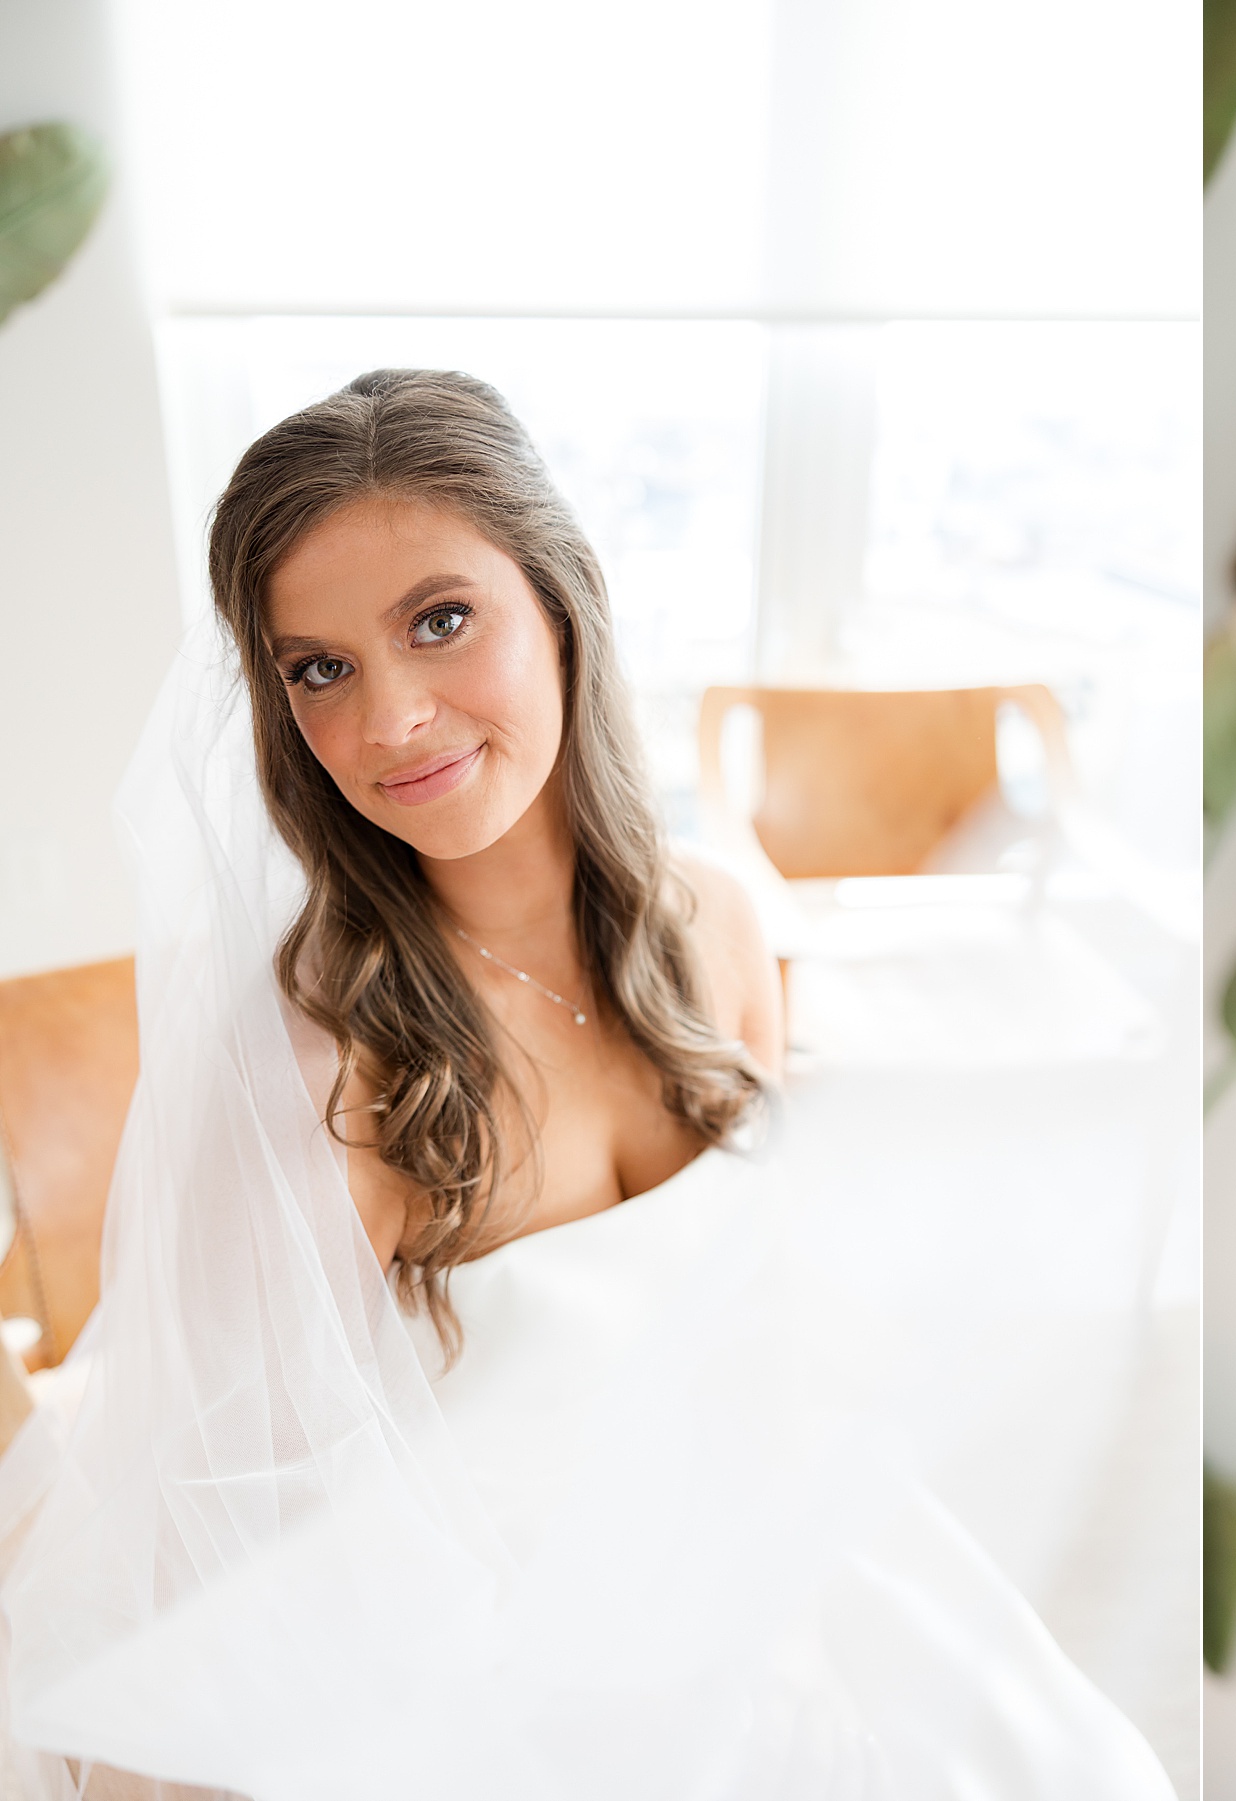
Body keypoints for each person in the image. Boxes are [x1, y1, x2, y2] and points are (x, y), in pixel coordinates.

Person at [0, 370, 1176, 1800]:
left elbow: (771, 1347)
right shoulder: (326, 1072)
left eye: (441, 621)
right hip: (509, 1698)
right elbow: (224, 1592)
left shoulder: (719, 926)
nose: (392, 721)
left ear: (560, 602)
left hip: (801, 1586)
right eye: (320, 667)